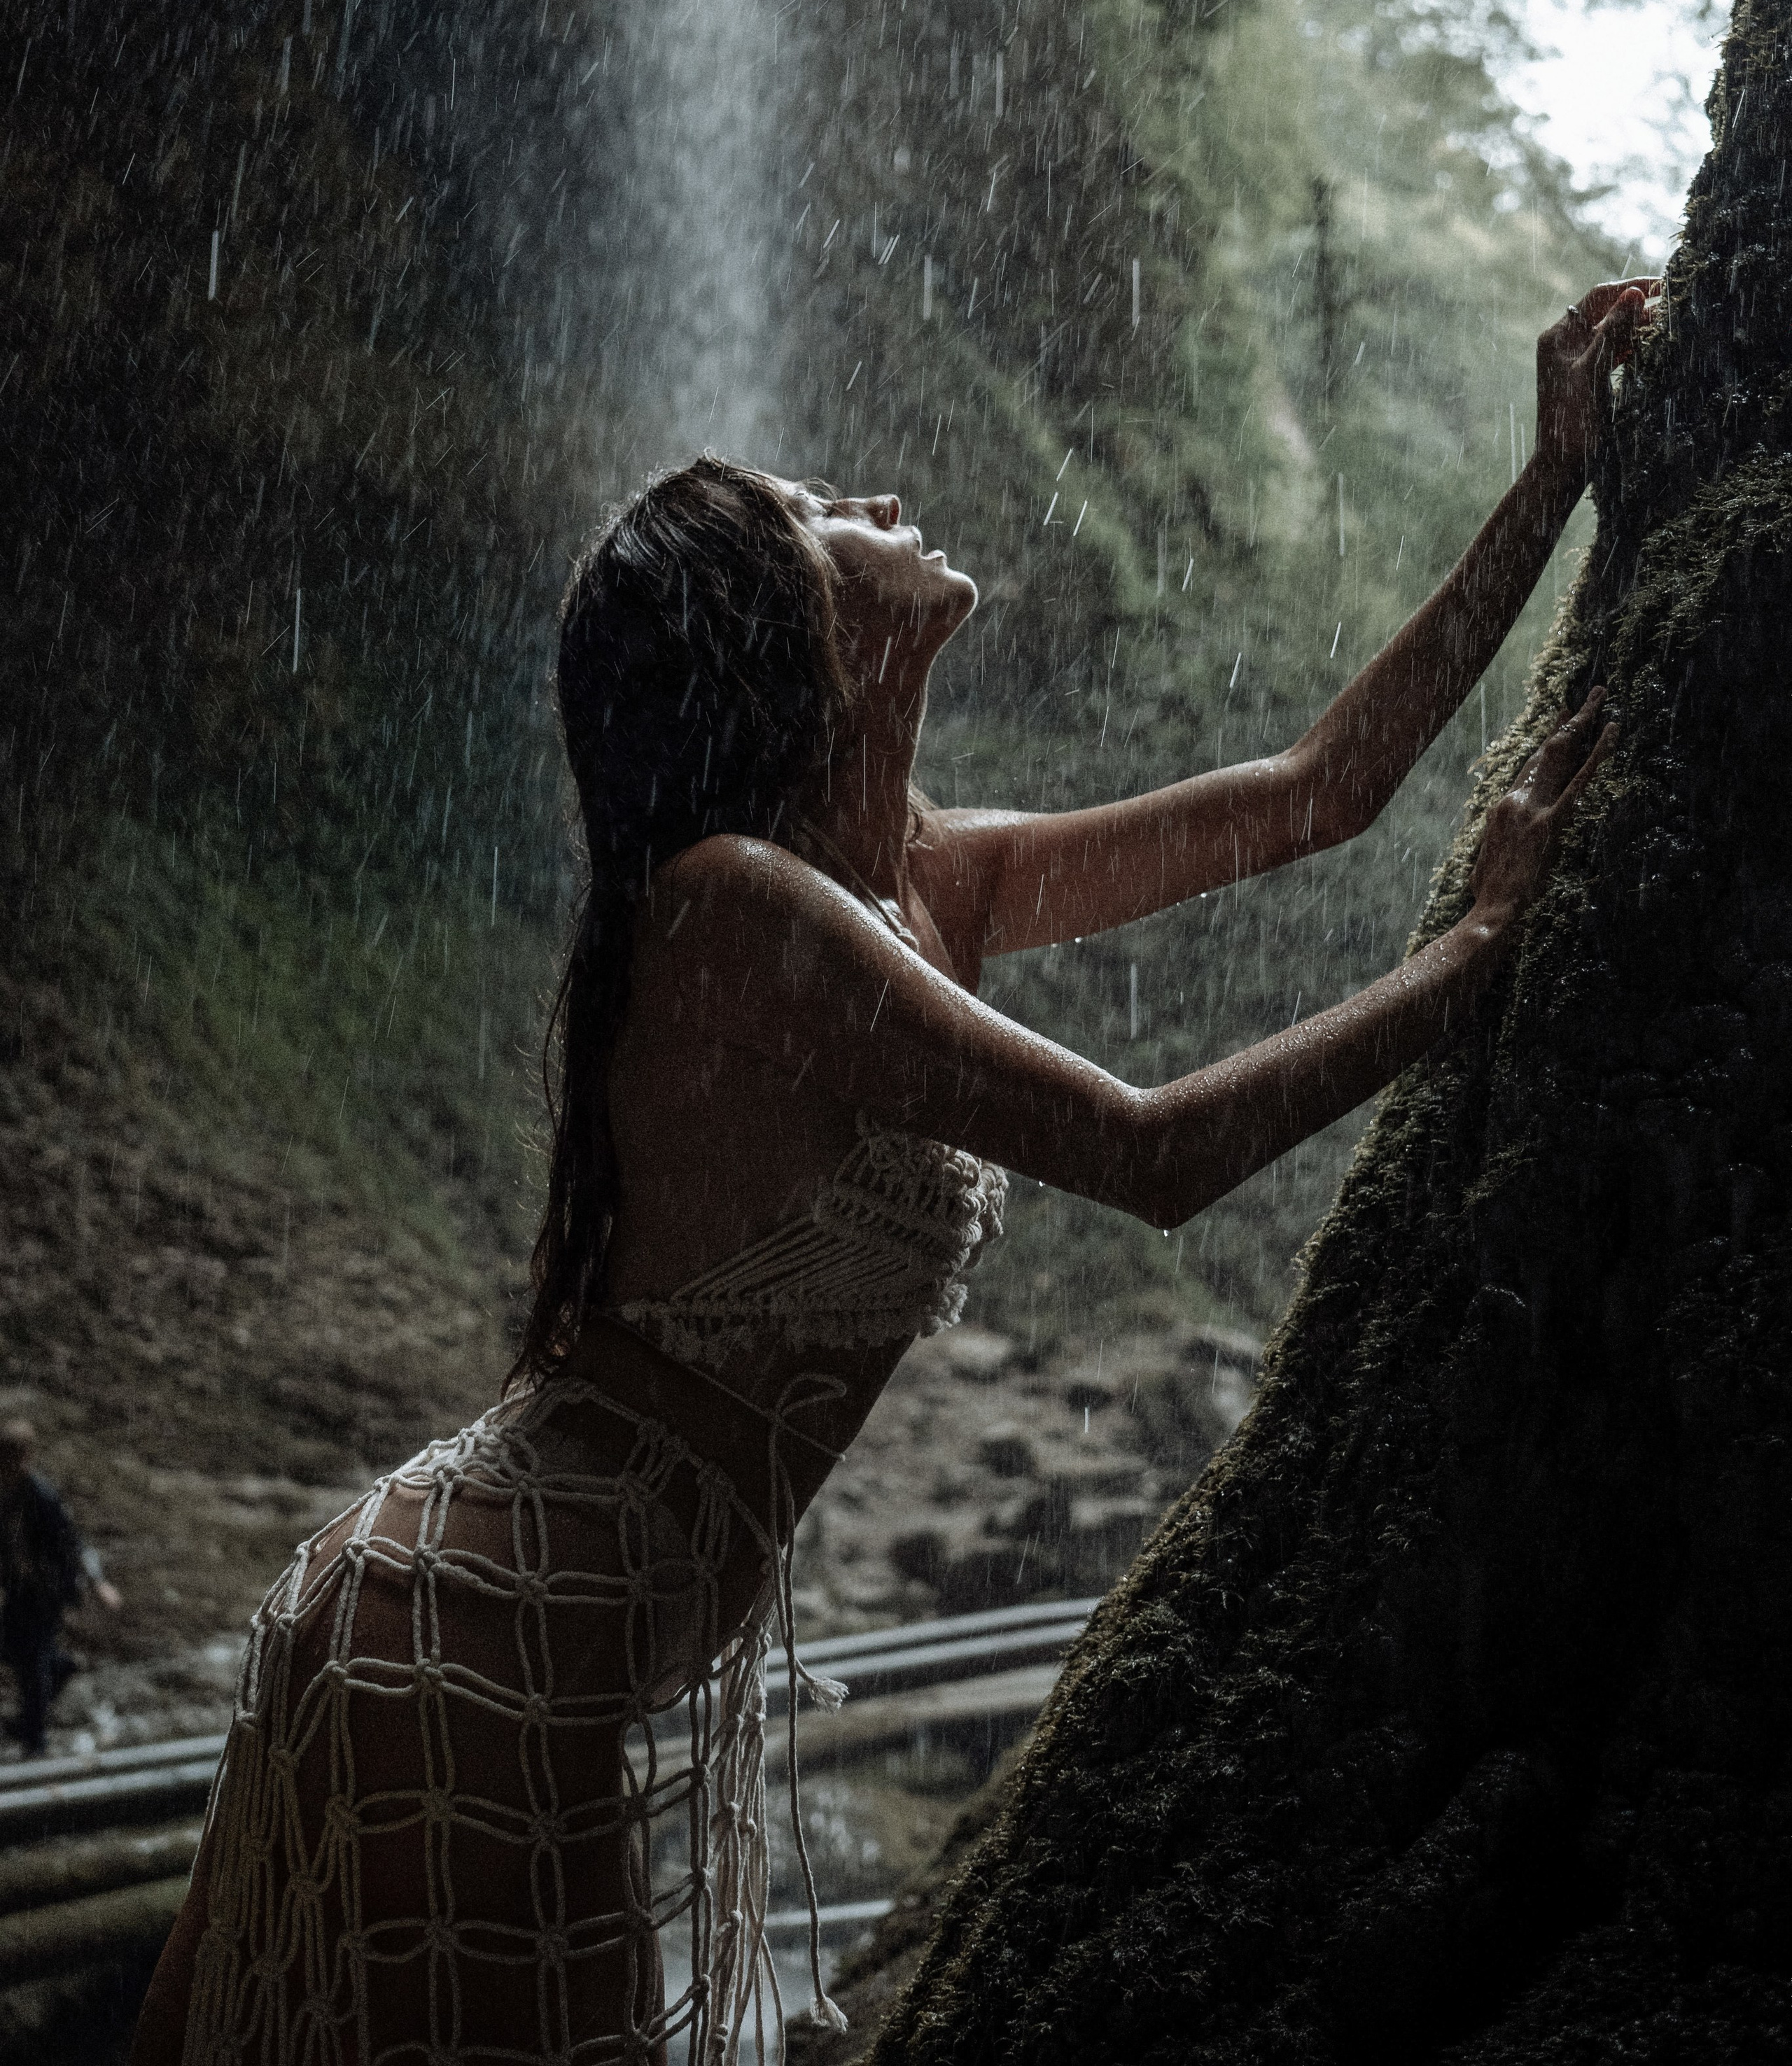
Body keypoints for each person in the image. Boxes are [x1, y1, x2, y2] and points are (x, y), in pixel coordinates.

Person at [134, 280, 1653, 2065]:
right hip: (467, 1621)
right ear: (773, 626)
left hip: (527, 1634)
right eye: (808, 510)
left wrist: (1551, 479)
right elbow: (1153, 1154)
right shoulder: (734, 909)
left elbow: (1320, 791)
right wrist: (1473, 951)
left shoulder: (922, 882)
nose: (861, 495)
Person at [0, 1419, 122, 1757]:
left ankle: (34, 1740)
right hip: (20, 1588)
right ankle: (62, 1667)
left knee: (32, 1658)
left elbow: (73, 1544)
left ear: (26, 1457)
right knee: (12, 1647)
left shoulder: (42, 1497)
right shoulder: (7, 1497)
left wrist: (98, 1584)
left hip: (46, 1591)